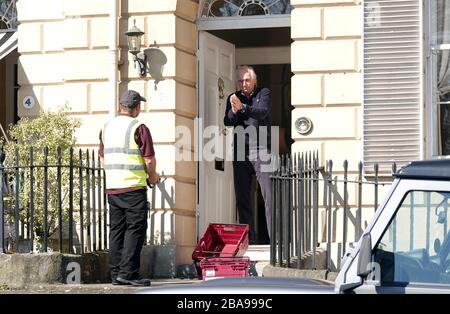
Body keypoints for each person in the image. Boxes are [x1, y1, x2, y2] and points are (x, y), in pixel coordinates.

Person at [99, 90, 159, 286]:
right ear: (137, 107)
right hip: (133, 187)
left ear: (121, 106)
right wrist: (152, 176)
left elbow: (102, 157)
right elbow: (148, 159)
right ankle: (129, 273)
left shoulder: (107, 127)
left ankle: (116, 273)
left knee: (116, 230)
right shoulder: (139, 127)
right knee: (135, 230)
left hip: (113, 187)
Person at [224, 66, 272, 243]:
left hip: (261, 149)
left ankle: (274, 240)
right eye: (240, 81)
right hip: (240, 151)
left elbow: (262, 112)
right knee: (243, 197)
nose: (244, 84)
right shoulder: (233, 97)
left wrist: (243, 107)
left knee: (269, 195)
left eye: (247, 80)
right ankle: (248, 240)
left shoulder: (264, 93)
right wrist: (234, 110)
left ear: (254, 81)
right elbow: (227, 121)